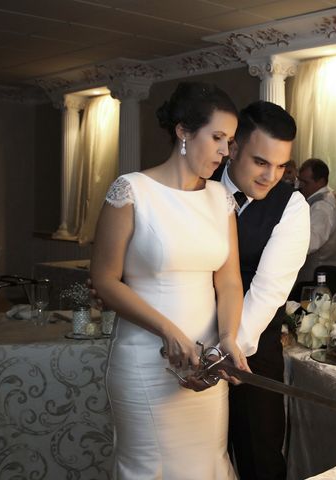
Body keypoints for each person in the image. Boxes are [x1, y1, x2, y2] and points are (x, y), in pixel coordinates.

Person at [90, 82, 249, 479]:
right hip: (145, 362)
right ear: (183, 131)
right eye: (216, 137)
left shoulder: (221, 199)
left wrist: (228, 337)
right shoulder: (132, 190)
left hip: (206, 366)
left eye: (229, 141)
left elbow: (229, 281)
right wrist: (167, 330)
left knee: (206, 466)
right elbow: (105, 279)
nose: (225, 152)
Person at [210, 101, 310, 480]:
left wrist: (227, 348)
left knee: (259, 457)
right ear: (233, 149)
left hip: (253, 349)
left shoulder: (292, 206)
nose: (272, 176)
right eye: (261, 162)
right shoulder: (198, 184)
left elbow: (268, 291)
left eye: (282, 165)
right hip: (186, 339)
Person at [296, 158, 336, 284]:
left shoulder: (322, 206)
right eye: (300, 180)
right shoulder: (326, 199)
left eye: (305, 182)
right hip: (321, 274)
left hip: (318, 277)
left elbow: (311, 242)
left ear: (320, 181)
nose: (300, 186)